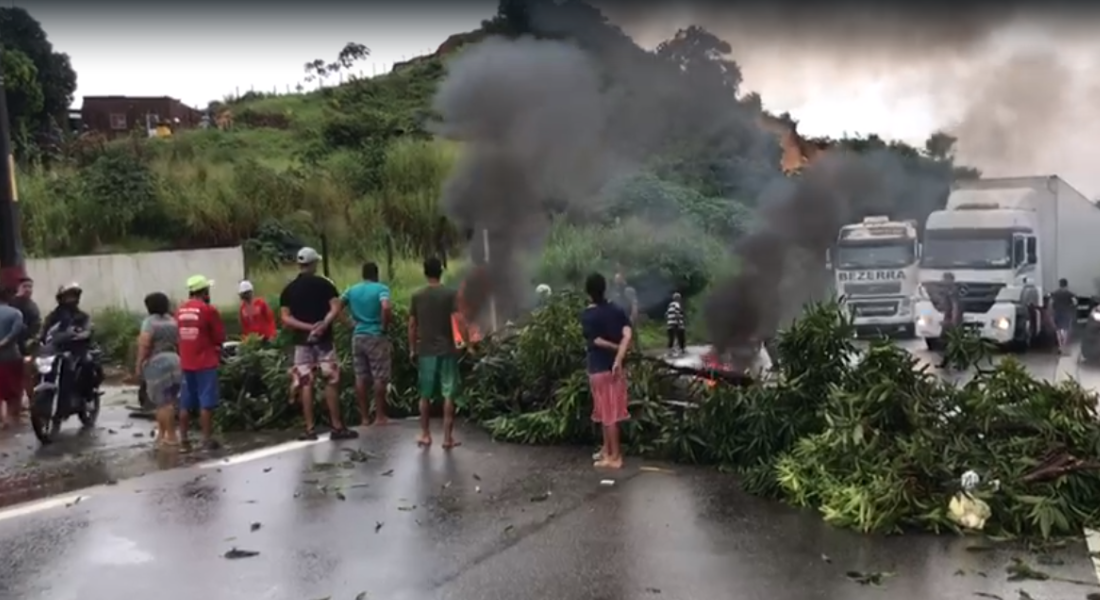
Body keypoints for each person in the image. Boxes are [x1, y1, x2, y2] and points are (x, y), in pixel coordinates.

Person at [279, 247, 358, 441]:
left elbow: (285, 318)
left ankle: (309, 428)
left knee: (306, 383)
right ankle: (337, 426)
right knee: (331, 380)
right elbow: (335, 307)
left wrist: (307, 327)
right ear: (314, 264)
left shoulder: (289, 289)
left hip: (301, 342)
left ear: (299, 264)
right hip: (324, 342)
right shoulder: (325, 285)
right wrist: (324, 323)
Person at [408, 257, 463, 450]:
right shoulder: (450, 294)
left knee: (425, 394)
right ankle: (447, 438)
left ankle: (425, 434)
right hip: (447, 350)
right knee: (448, 393)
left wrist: (412, 349)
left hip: (426, 352)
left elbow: (413, 325)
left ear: (425, 272)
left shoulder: (417, 296)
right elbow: (457, 320)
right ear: (441, 271)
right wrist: (461, 343)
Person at [581, 272, 632, 470]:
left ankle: (615, 456)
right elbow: (627, 335)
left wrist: (613, 350)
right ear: (605, 289)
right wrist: (619, 355)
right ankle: (606, 450)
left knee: (607, 414)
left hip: (599, 368)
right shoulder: (617, 310)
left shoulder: (588, 315)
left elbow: (596, 341)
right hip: (615, 369)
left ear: (588, 292)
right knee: (607, 411)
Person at [176, 275, 225, 450]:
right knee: (206, 401)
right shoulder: (208, 310)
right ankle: (206, 439)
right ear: (204, 292)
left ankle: (184, 440)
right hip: (205, 362)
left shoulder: (180, 310)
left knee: (185, 402)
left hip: (186, 362)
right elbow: (219, 337)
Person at [341, 262, 393, 428]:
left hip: (358, 336)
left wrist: (348, 323)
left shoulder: (352, 290)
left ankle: (364, 417)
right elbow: (385, 307)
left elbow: (336, 306)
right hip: (375, 335)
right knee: (379, 376)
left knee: (361, 376)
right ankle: (379, 415)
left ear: (363, 274)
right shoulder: (381, 289)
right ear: (376, 274)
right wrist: (384, 326)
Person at [135, 292, 182, 448]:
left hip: (157, 363)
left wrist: (139, 364)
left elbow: (145, 344)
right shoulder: (173, 321)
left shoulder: (149, 322)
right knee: (170, 401)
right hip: (175, 361)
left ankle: (171, 436)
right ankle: (162, 435)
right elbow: (179, 342)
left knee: (162, 403)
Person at [12, 277, 40, 407]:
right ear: (18, 288)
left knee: (28, 374)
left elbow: (37, 325)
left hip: (27, 345)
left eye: (30, 287)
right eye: (25, 286)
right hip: (11, 345)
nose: (28, 289)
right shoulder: (11, 304)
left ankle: (32, 401)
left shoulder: (32, 306)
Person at [0, 287, 25, 429]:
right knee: (13, 390)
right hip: (11, 356)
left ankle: (2, 418)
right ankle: (9, 418)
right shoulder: (16, 313)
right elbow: (16, 333)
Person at [1050, 278, 1077, 354]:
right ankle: (1064, 346)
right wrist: (1071, 306)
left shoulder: (1055, 293)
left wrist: (1052, 311)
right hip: (1066, 313)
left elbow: (1051, 303)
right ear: (1066, 285)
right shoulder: (1070, 294)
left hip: (1057, 313)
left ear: (1060, 285)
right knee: (1065, 330)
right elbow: (1075, 302)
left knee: (1058, 330)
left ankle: (1060, 345)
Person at [1021, 276, 1041, 341]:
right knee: (1033, 321)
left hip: (1027, 308)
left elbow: (1023, 299)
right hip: (1032, 307)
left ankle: (1029, 334)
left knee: (1028, 321)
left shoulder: (1024, 289)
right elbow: (1036, 299)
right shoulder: (1034, 289)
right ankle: (1033, 334)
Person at [665, 292, 686, 356]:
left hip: (670, 323)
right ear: (678, 298)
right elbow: (677, 314)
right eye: (679, 298)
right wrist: (679, 323)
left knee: (671, 337)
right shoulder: (677, 304)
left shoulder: (670, 305)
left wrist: (668, 321)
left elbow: (666, 314)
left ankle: (670, 351)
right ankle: (681, 349)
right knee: (680, 336)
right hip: (675, 323)